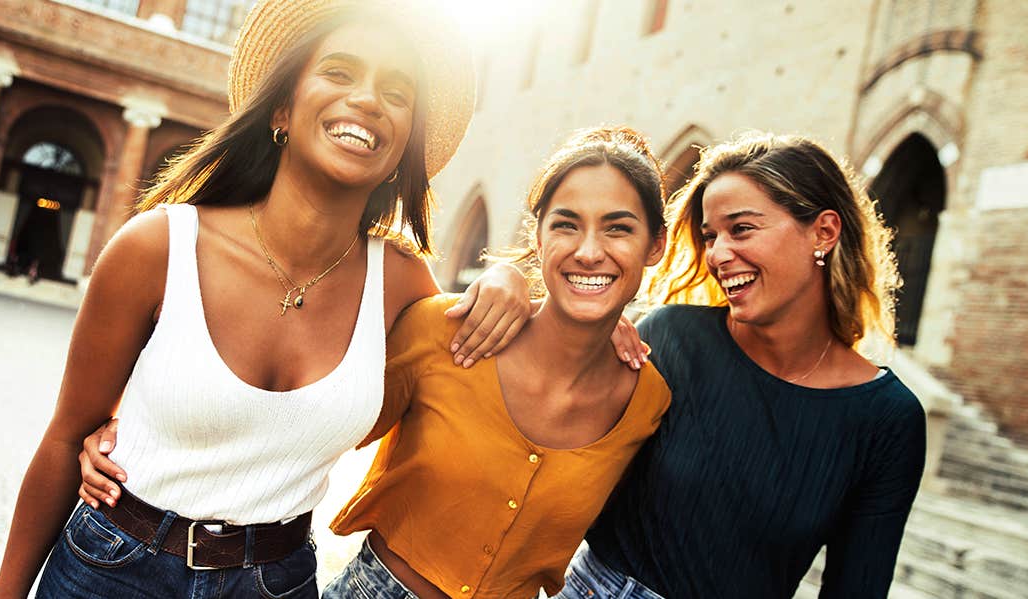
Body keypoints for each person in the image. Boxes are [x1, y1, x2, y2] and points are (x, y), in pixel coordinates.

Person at [0, 1, 534, 597]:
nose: (368, 99)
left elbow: (502, 371)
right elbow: (68, 437)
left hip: (276, 582)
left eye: (397, 92)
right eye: (340, 72)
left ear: (403, 148)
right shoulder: (158, 248)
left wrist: (522, 289)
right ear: (282, 109)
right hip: (113, 568)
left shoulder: (403, 285)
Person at [81, 126, 674, 598]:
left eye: (618, 229)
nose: (590, 249)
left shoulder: (649, 401)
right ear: (538, 237)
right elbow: (303, 417)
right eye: (566, 225)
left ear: (655, 247)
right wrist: (135, 442)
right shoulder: (444, 333)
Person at [560, 132, 927, 599]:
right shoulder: (672, 338)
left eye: (742, 229)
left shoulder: (888, 419)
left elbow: (857, 588)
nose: (716, 253)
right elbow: (549, 444)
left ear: (824, 232)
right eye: (710, 235)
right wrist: (523, 301)